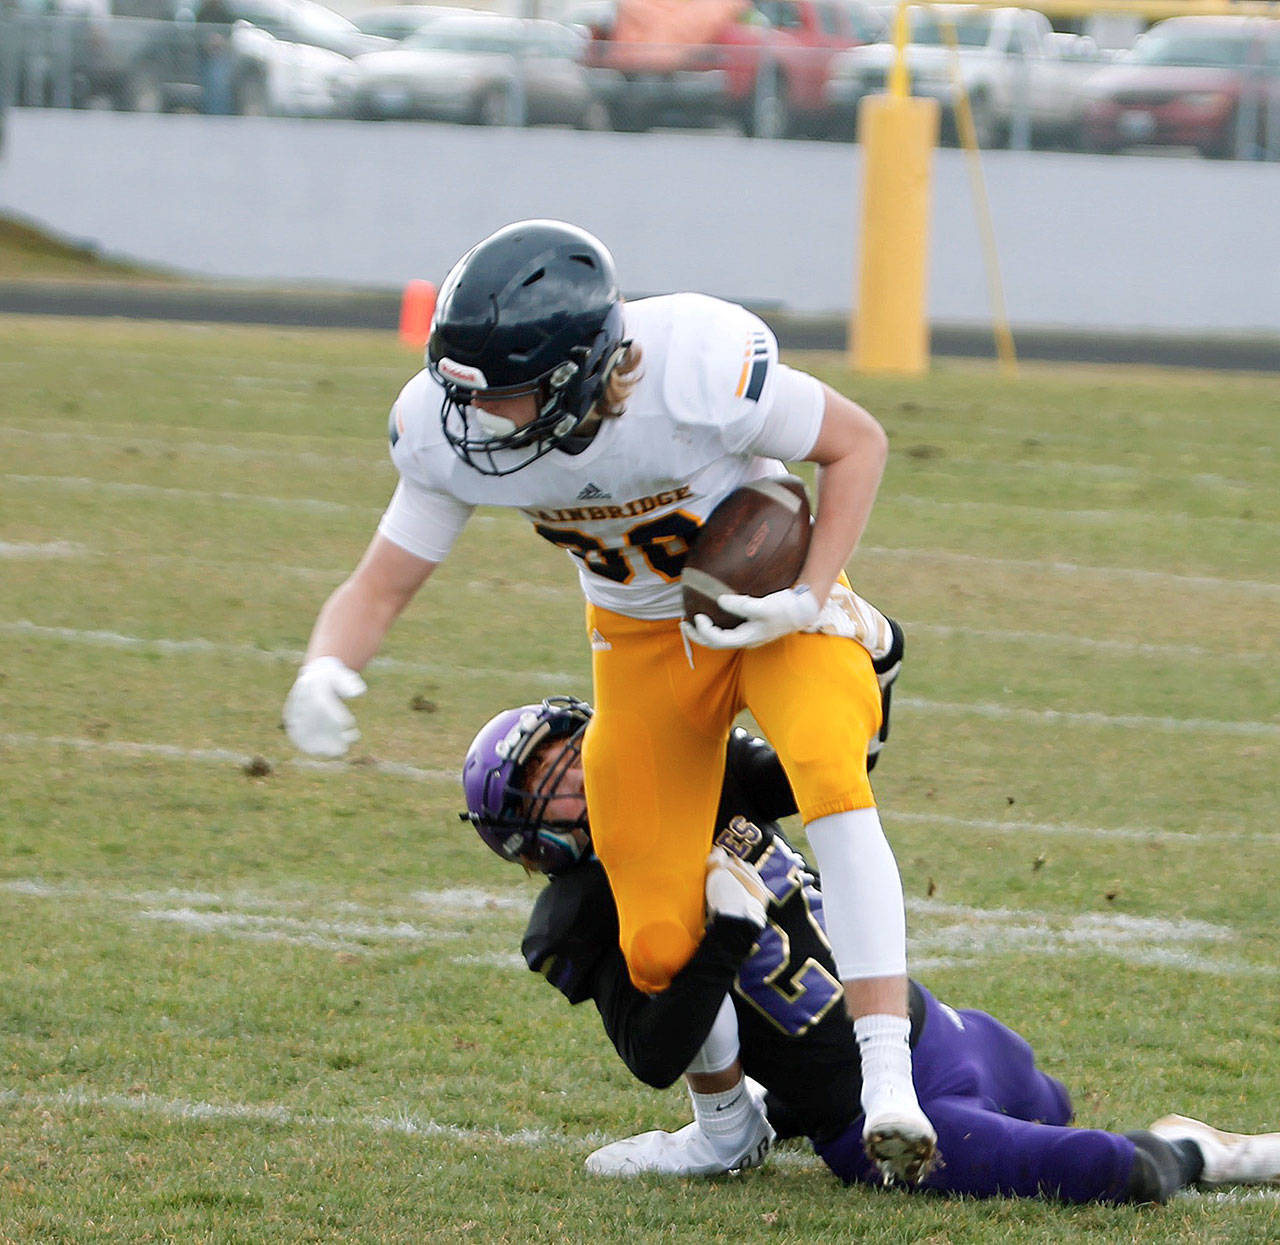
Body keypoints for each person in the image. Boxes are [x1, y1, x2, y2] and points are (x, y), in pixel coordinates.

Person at [283, 218, 932, 1178]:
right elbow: (380, 583)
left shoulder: (694, 368)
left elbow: (859, 444)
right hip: (637, 641)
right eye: (464, 391)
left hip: (765, 607)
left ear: (585, 370)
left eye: (503, 394)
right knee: (660, 936)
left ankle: (889, 1076)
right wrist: (326, 667)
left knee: (831, 773)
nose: (476, 417)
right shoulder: (448, 424)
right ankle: (724, 1131)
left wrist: (805, 593)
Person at [460, 696, 1280, 1199]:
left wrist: (861, 674)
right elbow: (653, 1048)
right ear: (531, 842)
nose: (584, 782)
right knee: (1117, 1172)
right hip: (873, 1126)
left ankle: (750, 1126)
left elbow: (839, 766)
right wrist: (728, 934)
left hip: (949, 1033)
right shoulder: (586, 912)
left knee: (1052, 1103)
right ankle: (1208, 1148)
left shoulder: (705, 776)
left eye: (577, 756)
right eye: (556, 787)